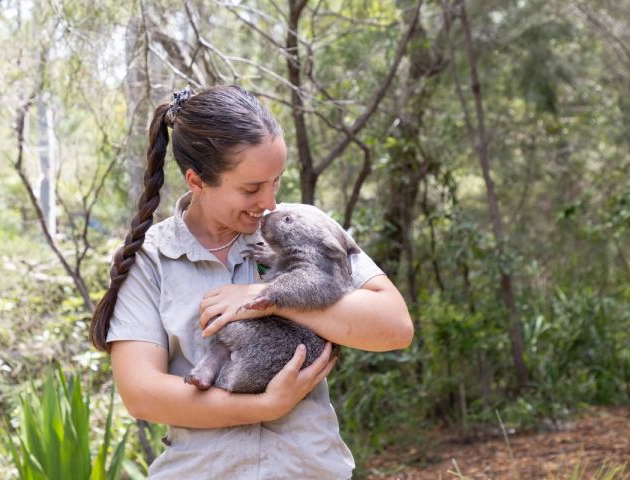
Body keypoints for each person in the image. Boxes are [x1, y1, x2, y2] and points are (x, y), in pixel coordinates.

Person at [89, 85, 413, 479]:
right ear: (197, 181)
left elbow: (394, 328)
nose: (270, 203)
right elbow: (141, 394)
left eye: (275, 181)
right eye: (251, 188)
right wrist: (263, 407)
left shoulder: (299, 226)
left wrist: (266, 297)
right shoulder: (151, 257)